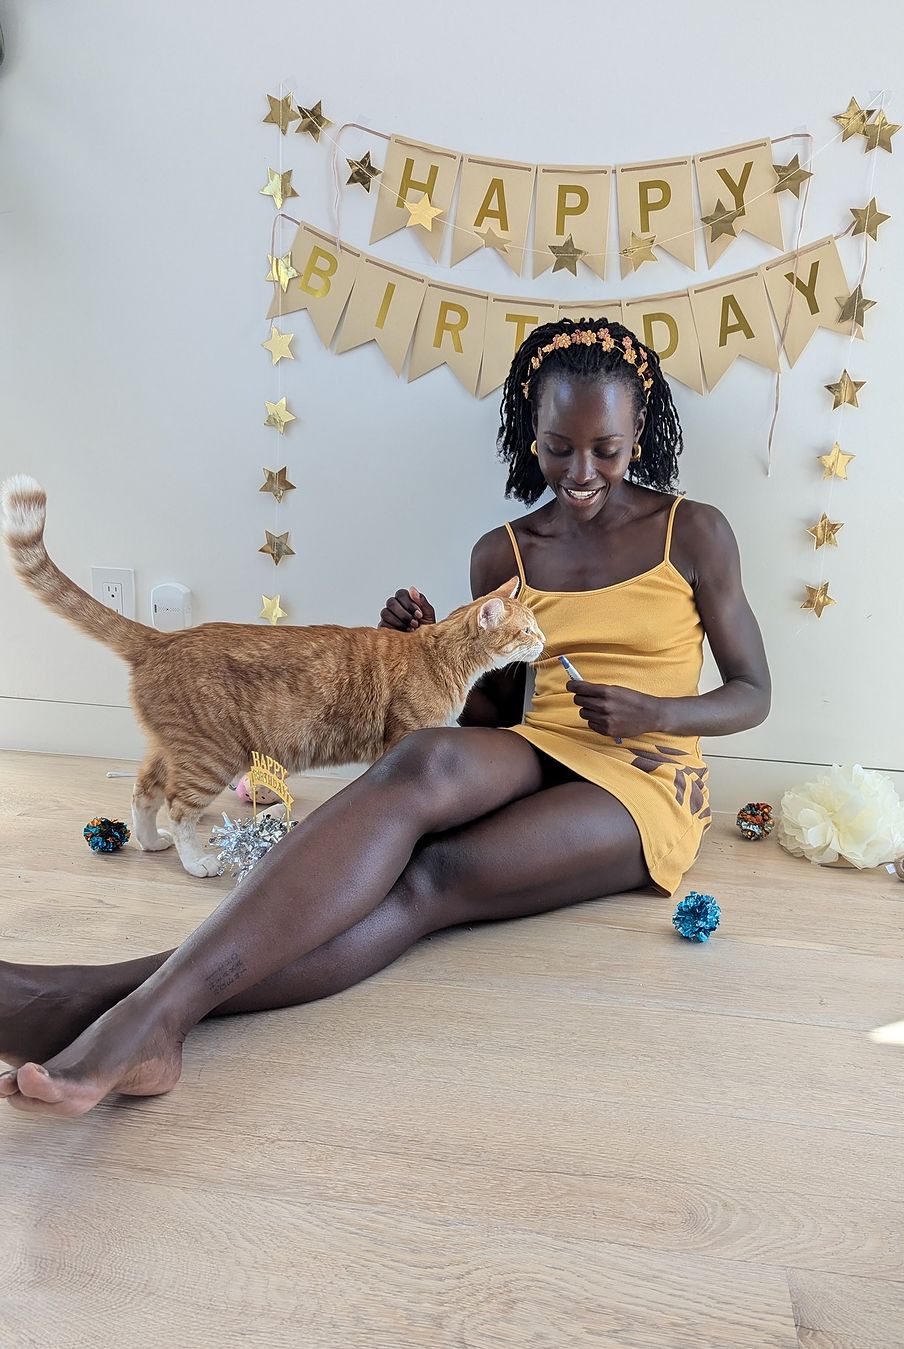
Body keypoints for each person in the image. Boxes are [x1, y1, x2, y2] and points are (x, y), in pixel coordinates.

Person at [0, 318, 771, 1118]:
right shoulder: (503, 552)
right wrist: (428, 656)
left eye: (605, 449)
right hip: (540, 741)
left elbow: (753, 690)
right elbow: (492, 715)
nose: (580, 471)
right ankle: (139, 1019)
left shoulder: (696, 532)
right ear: (528, 434)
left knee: (433, 876)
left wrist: (660, 708)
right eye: (558, 448)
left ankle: (105, 1006)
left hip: (648, 778)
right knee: (420, 760)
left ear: (639, 430)